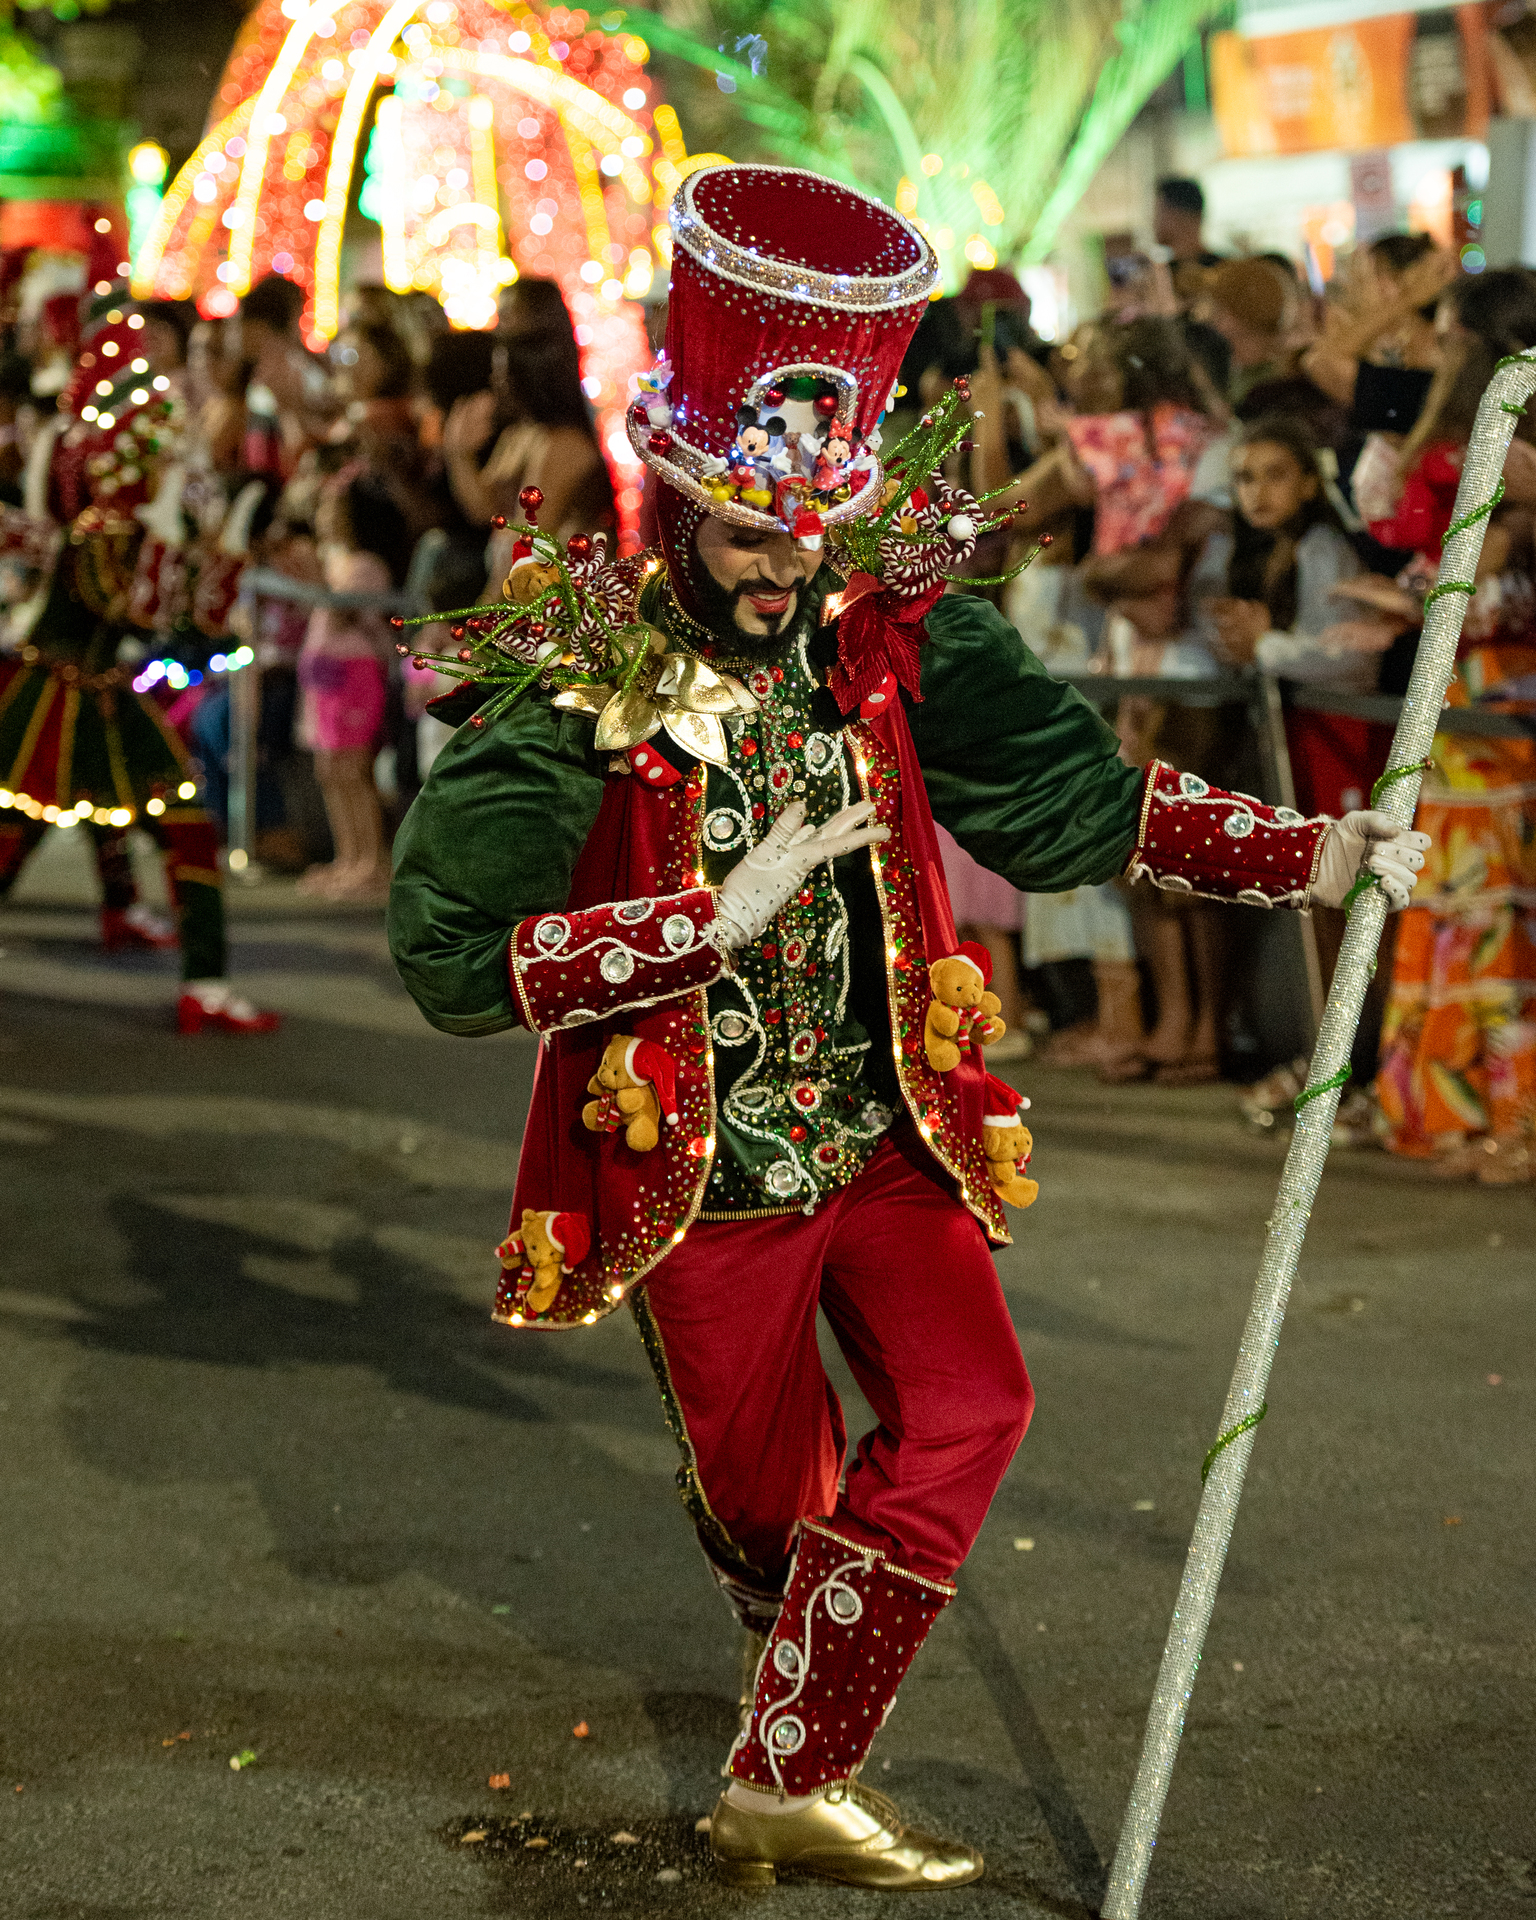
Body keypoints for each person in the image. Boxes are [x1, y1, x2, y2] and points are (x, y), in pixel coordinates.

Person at [387, 164, 1429, 1888]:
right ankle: (787, 1685)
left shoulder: (887, 632)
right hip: (705, 1172)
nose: (782, 572)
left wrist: (1312, 853)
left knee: (972, 1405)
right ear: (678, 507)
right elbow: (445, 957)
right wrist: (699, 924)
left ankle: (788, 1777)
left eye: (809, 536)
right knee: (768, 1515)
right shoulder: (584, 675)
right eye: (748, 536)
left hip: (884, 1134)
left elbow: (1075, 799)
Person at [0, 302, 278, 1032]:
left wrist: (218, 547)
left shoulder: (133, 529)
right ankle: (188, 970)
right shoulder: (106, 534)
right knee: (23, 832)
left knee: (171, 824)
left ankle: (197, 978)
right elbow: (145, 616)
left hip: (94, 698)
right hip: (57, 702)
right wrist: (184, 547)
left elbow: (194, 621)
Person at [295, 464, 407, 900]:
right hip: (327, 677)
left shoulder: (365, 565)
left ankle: (372, 862)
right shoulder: (338, 560)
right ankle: (349, 857)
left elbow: (344, 612)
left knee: (353, 769)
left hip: (355, 675)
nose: (323, 515)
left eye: (332, 507)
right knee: (329, 769)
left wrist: (312, 577)